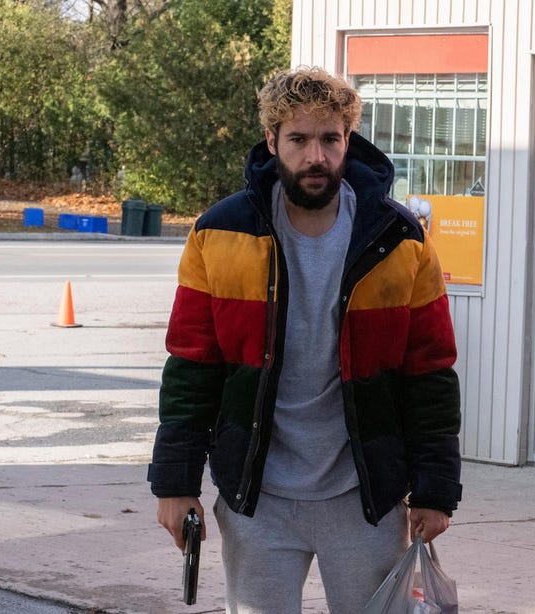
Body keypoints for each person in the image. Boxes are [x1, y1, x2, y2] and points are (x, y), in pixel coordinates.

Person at [147, 67, 462, 613]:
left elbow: (429, 370)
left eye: (329, 139)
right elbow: (192, 365)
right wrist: (175, 483)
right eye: (298, 139)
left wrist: (435, 489)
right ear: (272, 143)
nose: (316, 156)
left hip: (365, 500)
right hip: (257, 498)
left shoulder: (399, 240)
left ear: (348, 141)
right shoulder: (219, 234)